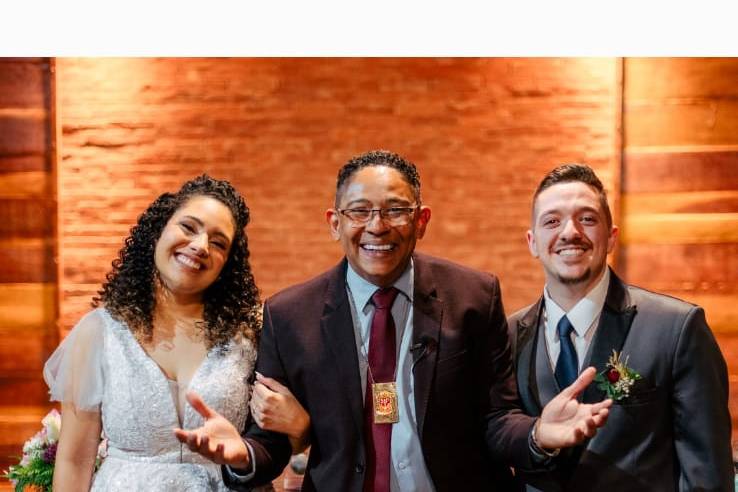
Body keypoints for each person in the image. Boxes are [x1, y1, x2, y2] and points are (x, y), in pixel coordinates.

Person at [177, 151, 612, 491]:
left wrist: (538, 434)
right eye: (359, 211)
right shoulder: (289, 315)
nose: (377, 227)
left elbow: (497, 420)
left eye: (396, 210)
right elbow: (270, 441)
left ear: (421, 221)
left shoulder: (473, 296)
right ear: (335, 223)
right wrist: (241, 457)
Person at [44, 175, 309, 491]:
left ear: (228, 263)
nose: (200, 246)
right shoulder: (100, 332)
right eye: (188, 227)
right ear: (158, 230)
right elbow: (75, 460)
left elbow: (280, 442)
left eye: (218, 242)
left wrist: (300, 427)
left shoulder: (252, 333)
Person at [508, 163, 734, 491]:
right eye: (552, 221)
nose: (570, 232)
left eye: (587, 219)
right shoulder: (509, 335)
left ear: (611, 236)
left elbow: (707, 474)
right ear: (532, 242)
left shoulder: (676, 328)